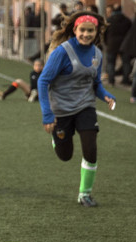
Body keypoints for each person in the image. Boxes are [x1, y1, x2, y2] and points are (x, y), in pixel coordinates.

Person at [38, 11, 115, 207]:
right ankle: (57, 138)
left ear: (96, 32)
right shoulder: (62, 52)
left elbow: (96, 83)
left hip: (85, 106)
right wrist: (48, 115)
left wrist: (106, 95)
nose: (86, 34)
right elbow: (43, 81)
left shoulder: (97, 54)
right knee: (65, 155)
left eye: (91, 31)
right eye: (83, 30)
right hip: (61, 110)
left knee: (90, 148)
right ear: (75, 30)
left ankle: (85, 194)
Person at [104, 4, 132, 85]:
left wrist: (107, 42)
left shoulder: (109, 20)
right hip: (124, 44)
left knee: (111, 63)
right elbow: (130, 33)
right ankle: (126, 79)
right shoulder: (127, 20)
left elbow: (104, 34)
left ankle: (111, 80)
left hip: (111, 44)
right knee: (126, 62)